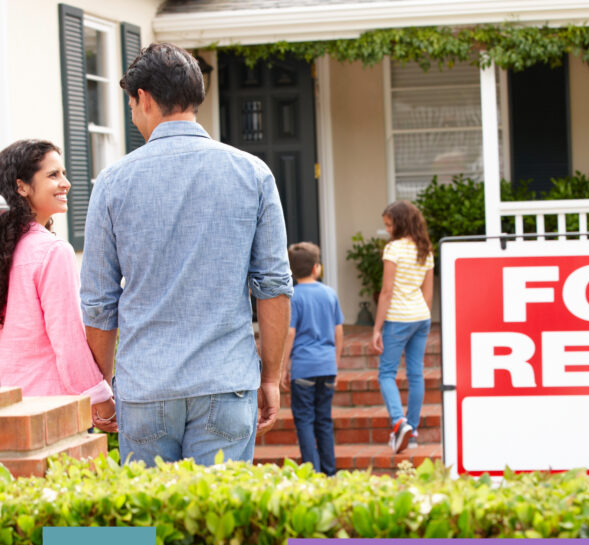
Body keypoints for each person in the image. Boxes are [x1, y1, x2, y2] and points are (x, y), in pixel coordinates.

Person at [80, 43, 292, 467]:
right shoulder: (253, 173)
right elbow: (273, 288)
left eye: (132, 105)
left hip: (146, 387)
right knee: (217, 527)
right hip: (226, 380)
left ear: (143, 98)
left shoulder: (112, 183)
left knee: (149, 528)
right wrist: (270, 376)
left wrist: (102, 387)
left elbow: (99, 303)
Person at [0, 140, 116, 431]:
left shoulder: (13, 249)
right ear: (22, 186)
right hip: (49, 410)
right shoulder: (52, 252)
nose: (66, 183)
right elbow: (68, 340)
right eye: (53, 175)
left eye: (64, 174)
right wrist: (99, 398)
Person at [371, 200, 434, 453]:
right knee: (415, 374)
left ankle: (399, 423)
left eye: (389, 224)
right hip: (421, 317)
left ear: (400, 223)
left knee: (386, 373)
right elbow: (428, 294)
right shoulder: (425, 249)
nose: (387, 229)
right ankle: (414, 430)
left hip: (398, 318)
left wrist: (376, 328)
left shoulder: (393, 249)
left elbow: (386, 292)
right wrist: (422, 317)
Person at [281, 242, 344, 475]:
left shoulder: (293, 297)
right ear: (317, 268)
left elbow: (290, 333)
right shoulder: (330, 294)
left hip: (304, 368)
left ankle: (312, 472)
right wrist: (335, 365)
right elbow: (339, 332)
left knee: (305, 421)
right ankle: (330, 472)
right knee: (324, 421)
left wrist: (283, 368)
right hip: (327, 366)